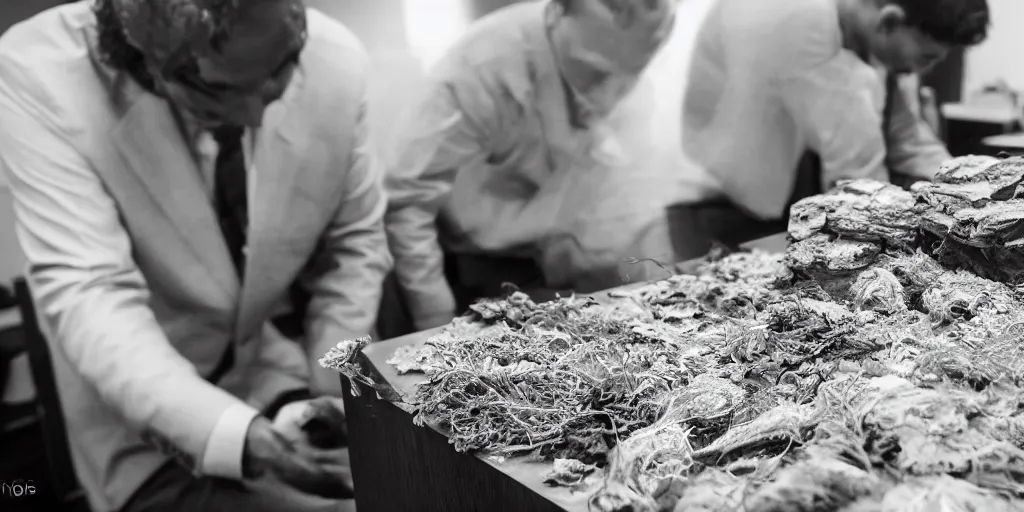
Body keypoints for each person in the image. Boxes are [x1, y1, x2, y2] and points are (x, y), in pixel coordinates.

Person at [0, 0, 390, 510]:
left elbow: (353, 245)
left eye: (280, 73)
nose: (258, 115)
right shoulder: (39, 72)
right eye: (217, 92)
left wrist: (337, 386)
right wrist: (235, 436)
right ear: (145, 60)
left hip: (268, 370)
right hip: (137, 411)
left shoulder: (337, 60)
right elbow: (91, 292)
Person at [385, 0, 712, 332]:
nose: (611, 95)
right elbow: (408, 205)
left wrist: (665, 293)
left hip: (570, 257)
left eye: (631, 74)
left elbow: (637, 194)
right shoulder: (479, 70)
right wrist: (436, 324)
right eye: (596, 72)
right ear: (557, 12)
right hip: (480, 262)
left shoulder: (621, 52)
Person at [680, 0, 990, 228]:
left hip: (779, 194)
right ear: (889, 21)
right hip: (721, 205)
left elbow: (906, 136)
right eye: (926, 57)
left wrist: (977, 190)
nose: (923, 69)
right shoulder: (801, 19)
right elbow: (858, 171)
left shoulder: (866, 33)